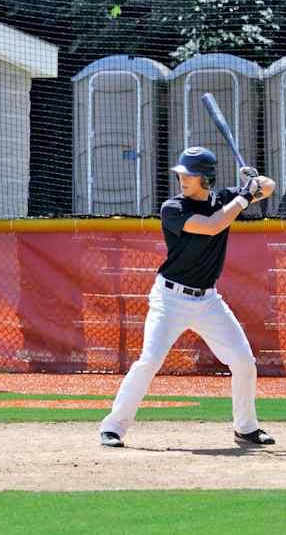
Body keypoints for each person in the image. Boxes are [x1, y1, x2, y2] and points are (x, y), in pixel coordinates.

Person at [99, 146, 276, 448]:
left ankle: (246, 428)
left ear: (205, 178)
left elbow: (269, 187)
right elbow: (212, 226)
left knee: (244, 361)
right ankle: (113, 427)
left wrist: (254, 180)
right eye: (181, 173)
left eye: (190, 175)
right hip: (169, 299)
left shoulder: (223, 199)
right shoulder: (173, 207)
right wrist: (246, 195)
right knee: (150, 360)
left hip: (208, 300)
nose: (183, 179)